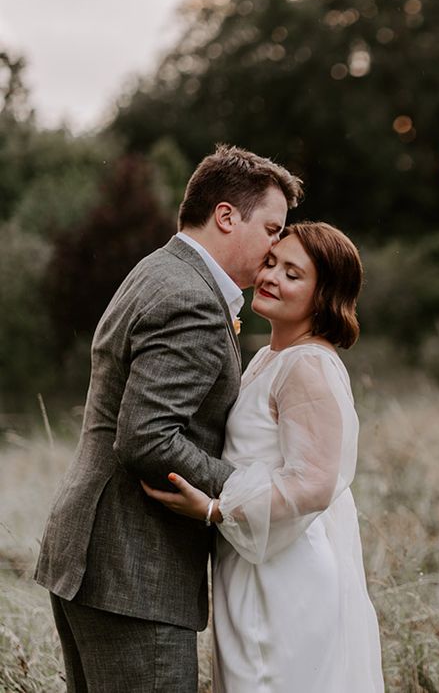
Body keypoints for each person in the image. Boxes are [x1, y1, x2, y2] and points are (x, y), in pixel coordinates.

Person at [34, 144, 303, 692]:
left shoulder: (158, 269)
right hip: (134, 570)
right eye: (273, 229)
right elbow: (147, 437)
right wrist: (246, 491)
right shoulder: (193, 299)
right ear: (226, 216)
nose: (277, 246)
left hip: (96, 558)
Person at [143, 221, 385, 692]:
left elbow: (315, 483)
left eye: (293, 274)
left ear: (324, 295)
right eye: (272, 262)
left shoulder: (308, 365)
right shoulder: (269, 357)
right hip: (251, 555)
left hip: (283, 569)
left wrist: (216, 509)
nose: (271, 276)